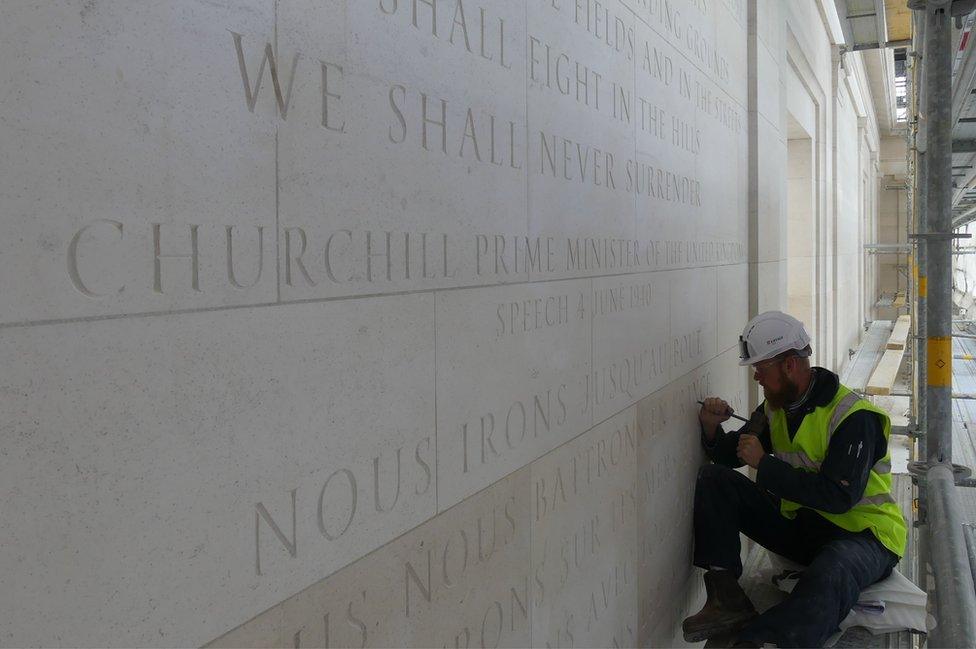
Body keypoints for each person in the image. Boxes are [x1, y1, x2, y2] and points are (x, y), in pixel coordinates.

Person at [681, 311, 907, 648]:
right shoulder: (775, 408)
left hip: (863, 537)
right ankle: (726, 599)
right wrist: (712, 427)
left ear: (789, 365)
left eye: (762, 368)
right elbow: (731, 456)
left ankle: (764, 642)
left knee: (833, 570)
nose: (757, 376)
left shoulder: (855, 418)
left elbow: (838, 497)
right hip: (806, 528)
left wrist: (765, 465)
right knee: (715, 479)